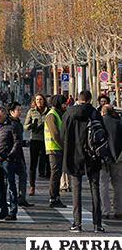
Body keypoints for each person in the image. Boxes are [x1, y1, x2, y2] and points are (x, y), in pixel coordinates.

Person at [62, 91, 104, 233]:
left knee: (76, 190)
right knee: (95, 188)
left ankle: (77, 224)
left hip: (74, 155)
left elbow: (63, 135)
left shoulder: (68, 113)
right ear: (90, 100)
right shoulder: (94, 113)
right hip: (93, 156)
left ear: (78, 99)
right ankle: (97, 224)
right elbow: (102, 134)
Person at [0, 106, 19, 221]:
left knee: (11, 185)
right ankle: (3, 210)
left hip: (7, 160)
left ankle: (13, 211)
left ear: (3, 114)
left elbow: (17, 142)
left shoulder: (12, 125)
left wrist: (10, 156)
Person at [7, 102, 33, 207]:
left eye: (20, 109)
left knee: (23, 175)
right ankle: (12, 199)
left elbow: (18, 140)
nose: (20, 112)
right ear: (11, 112)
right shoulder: (10, 124)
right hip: (12, 155)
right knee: (11, 178)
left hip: (18, 154)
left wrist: (25, 143)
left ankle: (21, 198)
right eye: (18, 110)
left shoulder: (17, 122)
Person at [24, 93, 50, 196]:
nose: (39, 101)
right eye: (37, 99)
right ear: (34, 101)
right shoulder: (31, 111)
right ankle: (32, 186)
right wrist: (32, 125)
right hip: (35, 139)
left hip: (46, 140)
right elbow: (25, 126)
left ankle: (51, 188)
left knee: (47, 162)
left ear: (44, 100)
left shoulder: (48, 111)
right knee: (33, 165)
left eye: (41, 99)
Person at [44, 95, 68, 208]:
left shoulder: (58, 113)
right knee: (55, 174)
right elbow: (55, 134)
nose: (65, 105)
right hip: (54, 148)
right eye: (64, 103)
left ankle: (56, 196)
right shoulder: (51, 115)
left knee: (57, 174)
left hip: (57, 148)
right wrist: (63, 146)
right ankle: (53, 198)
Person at [100, 104, 122, 220]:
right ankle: (119, 210)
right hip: (117, 157)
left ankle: (105, 210)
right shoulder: (119, 122)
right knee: (118, 184)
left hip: (103, 158)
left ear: (103, 112)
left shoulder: (100, 122)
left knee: (103, 184)